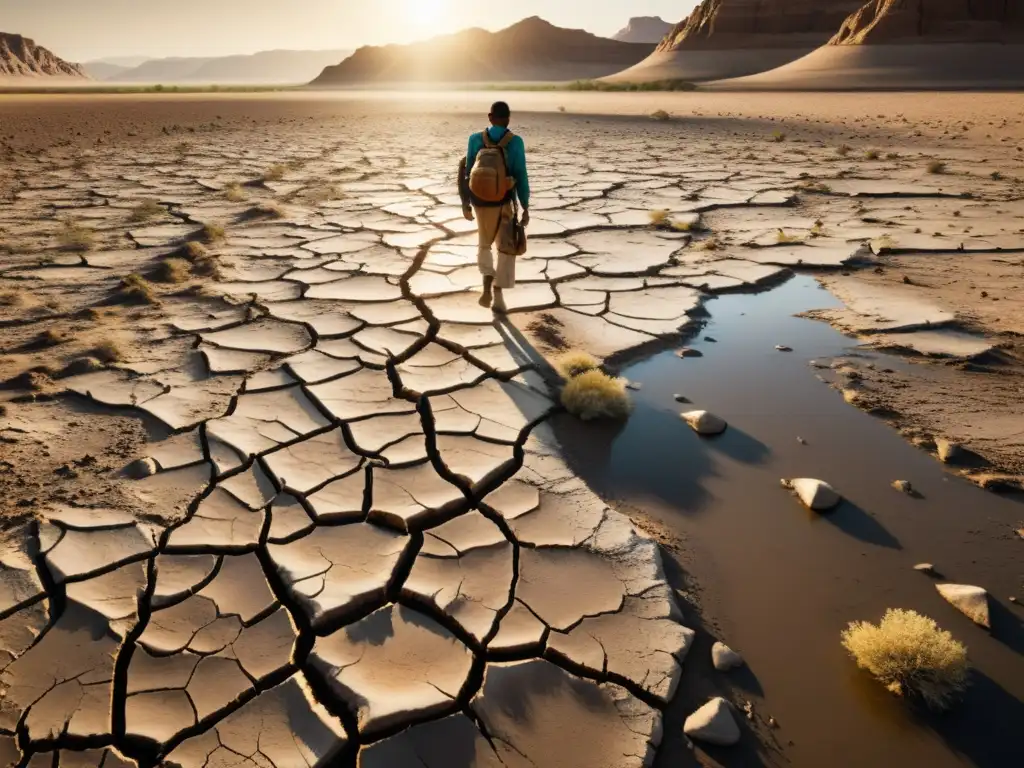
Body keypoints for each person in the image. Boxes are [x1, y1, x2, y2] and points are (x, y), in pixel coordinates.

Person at [459, 101, 530, 314]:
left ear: (490, 117)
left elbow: (468, 172)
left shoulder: (475, 139)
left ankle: (486, 286)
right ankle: (498, 295)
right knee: (505, 247)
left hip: (480, 203)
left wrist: (466, 203)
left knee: (484, 245)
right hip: (505, 202)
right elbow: (521, 175)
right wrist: (525, 206)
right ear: (508, 118)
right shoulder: (515, 142)